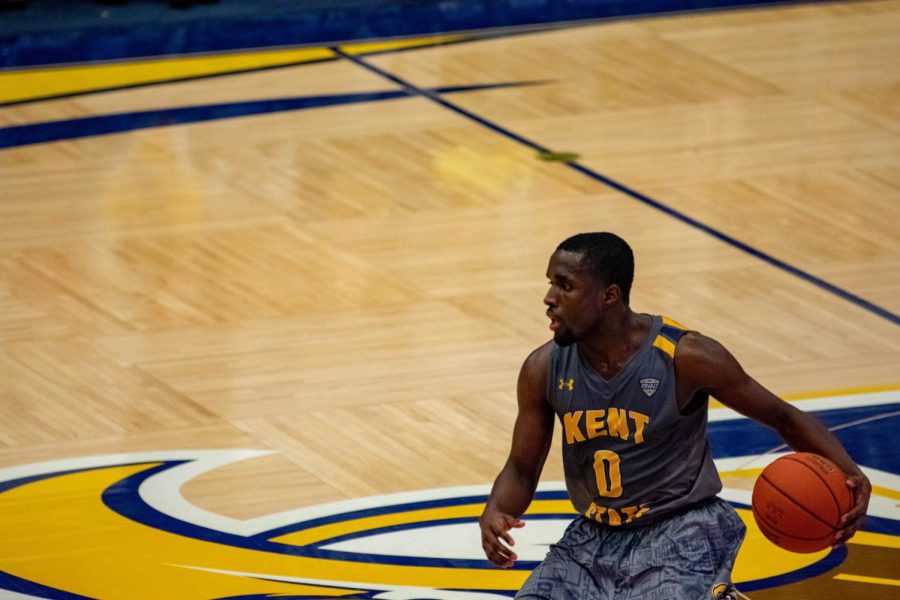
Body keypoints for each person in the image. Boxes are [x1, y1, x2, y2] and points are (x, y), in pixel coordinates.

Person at [479, 232, 871, 600]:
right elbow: (521, 467)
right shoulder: (543, 368)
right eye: (550, 283)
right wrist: (498, 510)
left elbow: (782, 417)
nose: (548, 297)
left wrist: (850, 472)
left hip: (683, 526)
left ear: (609, 296)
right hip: (596, 533)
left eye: (565, 285)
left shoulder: (685, 357)